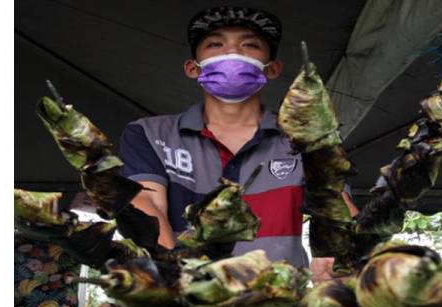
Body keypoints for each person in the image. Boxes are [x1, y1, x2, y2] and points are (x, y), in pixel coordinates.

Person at [119, 6, 357, 278]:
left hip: (279, 300)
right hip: (185, 302)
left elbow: (336, 205)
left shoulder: (309, 140)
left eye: (250, 44)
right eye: (215, 44)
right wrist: (173, 277)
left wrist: (335, 266)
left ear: (273, 69)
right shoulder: (150, 134)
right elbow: (146, 202)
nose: (232, 52)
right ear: (192, 68)